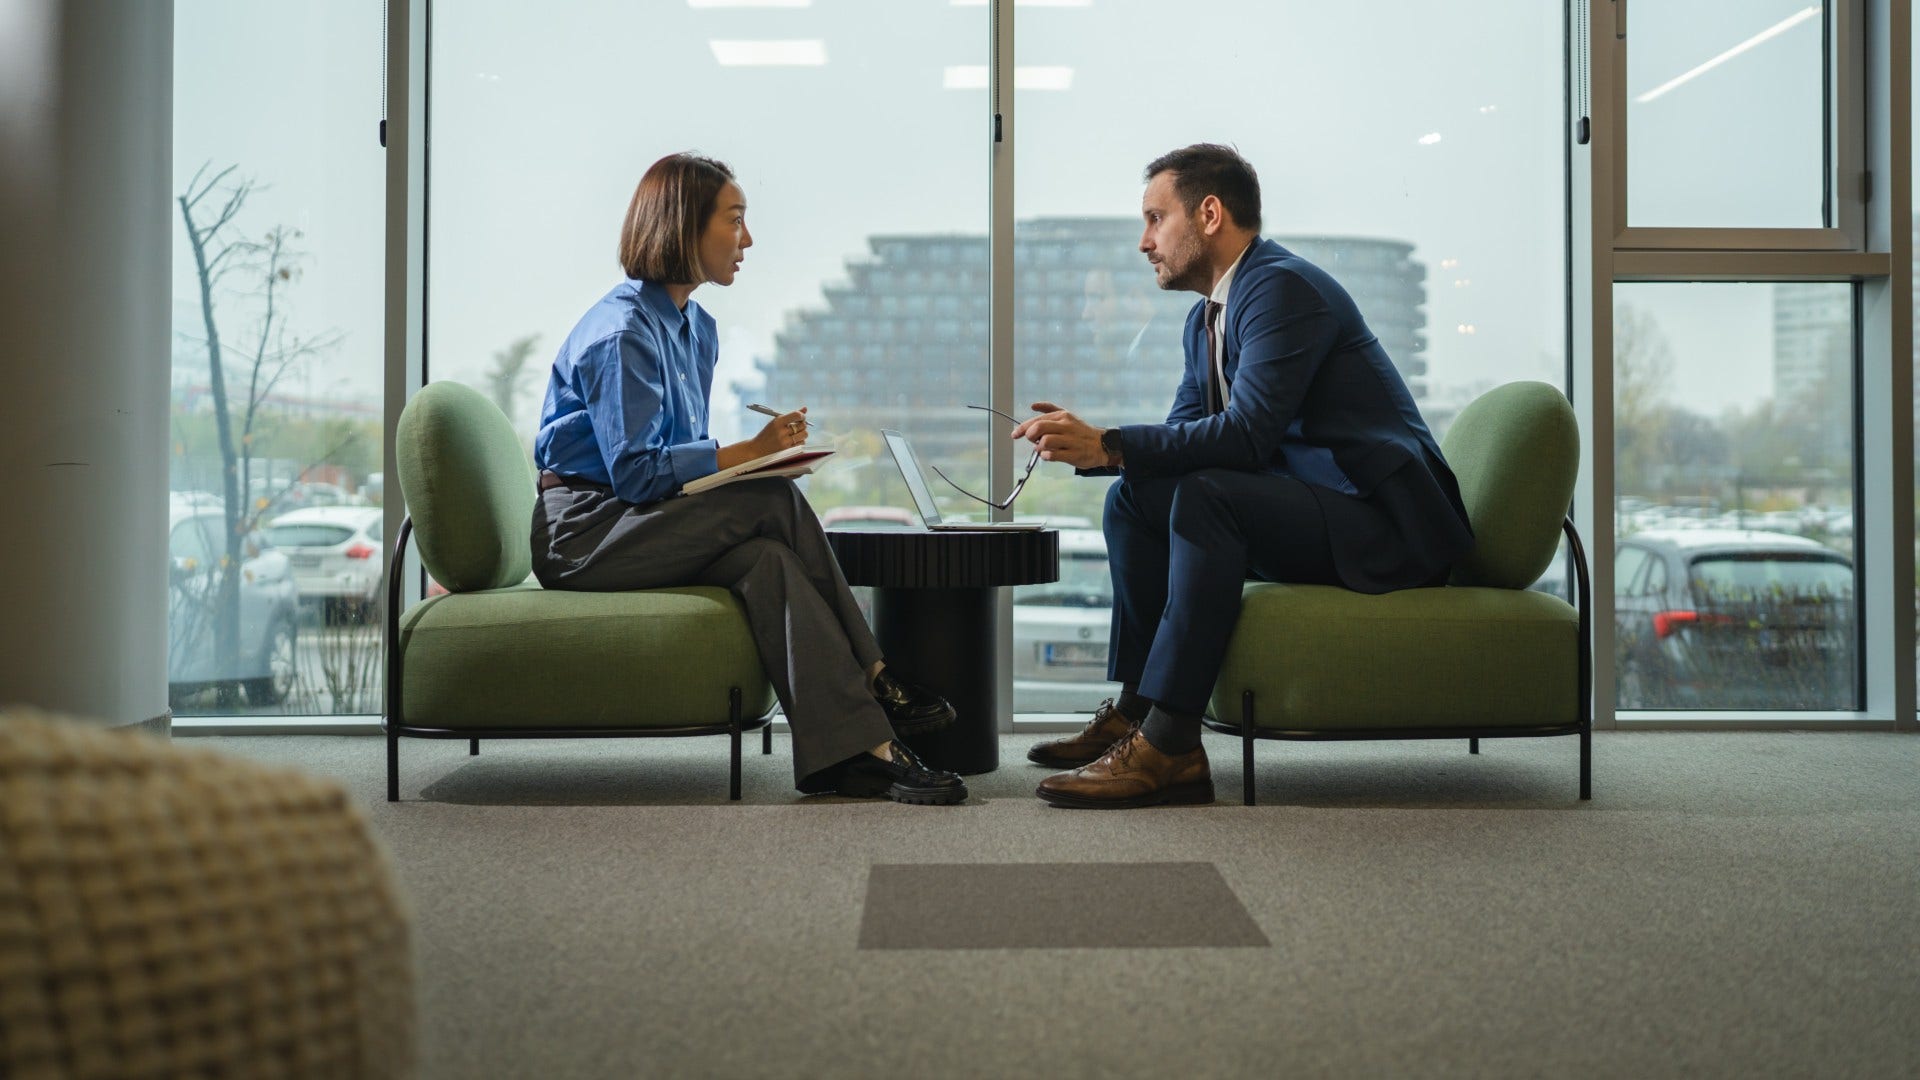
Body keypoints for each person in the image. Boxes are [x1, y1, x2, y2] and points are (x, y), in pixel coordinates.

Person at [1015, 144, 1475, 809]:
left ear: (1209, 214)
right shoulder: (1204, 321)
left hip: (1384, 524)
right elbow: (1180, 443)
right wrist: (1106, 455)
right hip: (1313, 508)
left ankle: (1172, 744)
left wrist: (1109, 443)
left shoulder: (1281, 288)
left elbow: (1248, 434)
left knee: (1207, 496)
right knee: (1134, 498)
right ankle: (1138, 710)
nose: (1144, 242)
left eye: (1155, 219)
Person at [529, 152, 967, 806]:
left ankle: (856, 755)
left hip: (643, 523)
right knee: (770, 495)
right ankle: (878, 676)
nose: (748, 239)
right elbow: (639, 474)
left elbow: (675, 471)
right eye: (734, 220)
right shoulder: (621, 333)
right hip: (587, 535)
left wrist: (752, 459)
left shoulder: (697, 330)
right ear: (684, 225)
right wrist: (748, 457)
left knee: (770, 562)